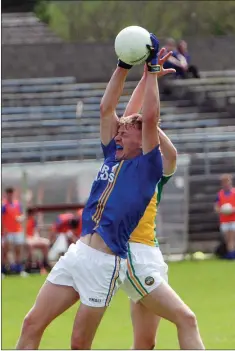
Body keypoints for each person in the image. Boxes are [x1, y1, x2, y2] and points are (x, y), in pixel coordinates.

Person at [16, 33, 172, 350]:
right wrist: (124, 65)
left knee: (78, 343)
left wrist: (153, 70)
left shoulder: (146, 168)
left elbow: (150, 118)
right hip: (78, 253)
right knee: (32, 323)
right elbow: (106, 108)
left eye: (126, 128)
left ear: (141, 138)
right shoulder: (112, 155)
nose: (119, 129)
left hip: (105, 262)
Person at [121, 66, 205, 350]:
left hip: (151, 255)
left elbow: (172, 155)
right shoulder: (124, 163)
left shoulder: (156, 173)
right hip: (132, 254)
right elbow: (126, 118)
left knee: (145, 344)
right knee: (187, 319)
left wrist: (151, 124)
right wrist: (147, 80)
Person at [2, 187, 25, 274]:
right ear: (6, 194)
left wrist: (20, 218)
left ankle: (19, 269)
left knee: (18, 250)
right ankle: (3, 269)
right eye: (8, 193)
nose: (10, 195)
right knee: (6, 250)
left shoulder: (17, 204)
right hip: (8, 232)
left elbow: (22, 215)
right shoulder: (3, 205)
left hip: (17, 231)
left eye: (11, 193)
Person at [214, 174, 235, 260]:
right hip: (224, 220)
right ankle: (230, 254)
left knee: (231, 239)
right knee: (227, 240)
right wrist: (222, 211)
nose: (226, 184)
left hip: (233, 219)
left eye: (227, 181)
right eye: (224, 182)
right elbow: (216, 207)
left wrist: (232, 210)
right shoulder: (220, 194)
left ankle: (231, 256)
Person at [25, 209, 51, 274]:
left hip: (34, 238)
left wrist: (37, 238)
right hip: (27, 238)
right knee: (30, 244)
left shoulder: (34, 221)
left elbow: (35, 231)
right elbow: (23, 232)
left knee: (46, 242)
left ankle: (45, 262)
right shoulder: (24, 221)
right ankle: (31, 264)